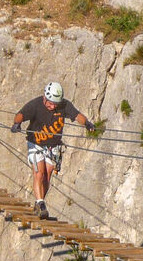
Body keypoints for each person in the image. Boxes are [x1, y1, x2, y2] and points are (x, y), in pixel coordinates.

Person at [11, 81, 96, 219]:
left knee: (48, 174)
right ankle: (40, 202)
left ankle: (40, 203)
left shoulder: (64, 105)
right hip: (36, 143)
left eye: (55, 104)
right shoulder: (36, 104)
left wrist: (87, 123)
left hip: (53, 145)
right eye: (50, 103)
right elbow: (20, 114)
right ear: (45, 97)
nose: (52, 106)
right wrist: (17, 123)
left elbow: (76, 115)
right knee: (39, 173)